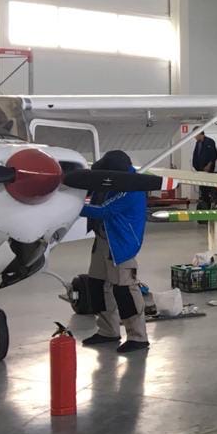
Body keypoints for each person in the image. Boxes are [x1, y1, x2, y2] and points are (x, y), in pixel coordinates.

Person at [80, 150, 149, 354]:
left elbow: (104, 210)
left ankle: (138, 337)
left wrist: (72, 207)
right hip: (103, 238)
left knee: (124, 290)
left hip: (120, 243)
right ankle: (108, 331)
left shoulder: (131, 188)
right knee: (97, 285)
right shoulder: (112, 180)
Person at [192, 130, 217, 211]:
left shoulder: (210, 142)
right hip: (200, 170)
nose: (194, 137)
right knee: (203, 188)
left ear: (200, 133)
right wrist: (195, 166)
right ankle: (204, 204)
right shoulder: (198, 143)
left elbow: (214, 155)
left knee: (208, 187)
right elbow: (196, 155)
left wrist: (209, 165)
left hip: (208, 169)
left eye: (195, 135)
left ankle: (211, 202)